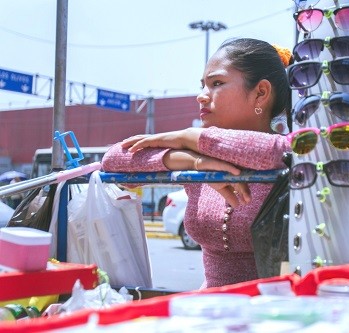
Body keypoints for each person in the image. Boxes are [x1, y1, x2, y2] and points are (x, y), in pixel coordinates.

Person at [102, 38, 293, 288]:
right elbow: (114, 159)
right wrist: (193, 161)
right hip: (212, 314)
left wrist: (188, 137)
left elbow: (278, 151)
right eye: (202, 85)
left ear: (261, 93)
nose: (201, 97)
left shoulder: (290, 153)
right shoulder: (200, 159)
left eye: (216, 83)